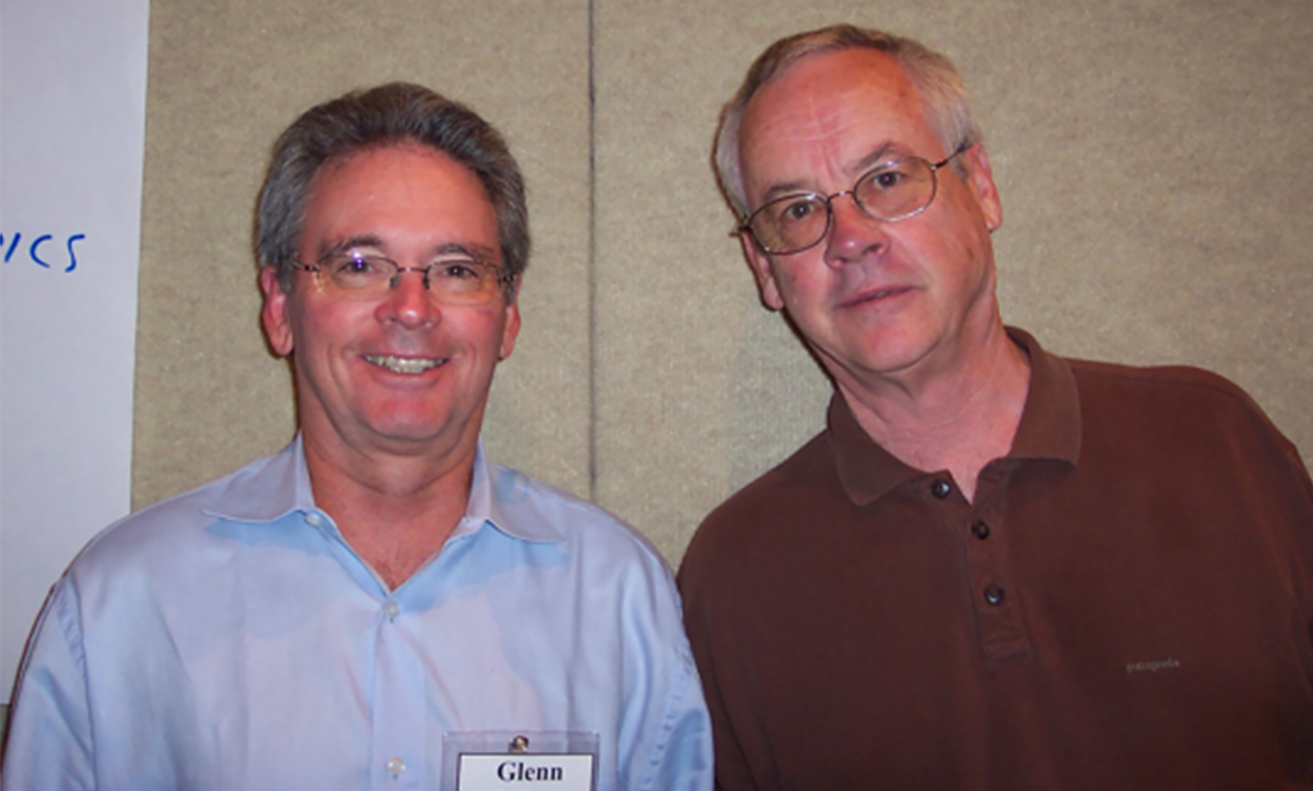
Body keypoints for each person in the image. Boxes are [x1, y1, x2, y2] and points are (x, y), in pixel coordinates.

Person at [2, 82, 712, 790]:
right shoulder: (121, 603)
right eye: (359, 265)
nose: (410, 308)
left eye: (457, 270)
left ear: (509, 314)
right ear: (279, 306)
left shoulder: (619, 599)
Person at [678, 24, 1313, 791]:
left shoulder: (1216, 445)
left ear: (979, 185)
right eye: (797, 209)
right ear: (764, 268)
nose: (849, 239)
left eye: (885, 179)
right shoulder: (736, 575)